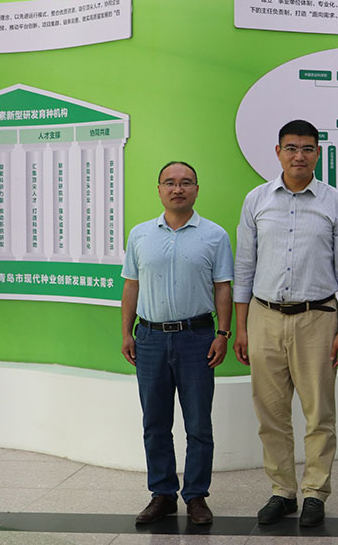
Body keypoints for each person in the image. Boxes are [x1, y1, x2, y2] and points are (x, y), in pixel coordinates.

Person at [233, 119, 338, 528]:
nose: (299, 156)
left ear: (318, 153)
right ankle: (282, 491)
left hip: (318, 318)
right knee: (271, 413)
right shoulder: (256, 200)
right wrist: (241, 327)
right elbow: (244, 266)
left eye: (307, 148)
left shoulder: (335, 202)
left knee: (319, 413)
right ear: (278, 152)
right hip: (264, 316)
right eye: (291, 148)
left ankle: (315, 493)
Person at [120, 161, 234, 525]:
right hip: (150, 337)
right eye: (169, 183)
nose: (178, 189)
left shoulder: (215, 235)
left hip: (197, 338)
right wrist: (126, 332)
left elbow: (223, 288)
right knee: (155, 422)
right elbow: (131, 285)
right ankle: (162, 494)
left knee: (198, 424)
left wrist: (223, 334)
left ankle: (196, 496)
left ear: (197, 189)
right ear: (159, 190)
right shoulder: (140, 235)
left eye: (186, 182)